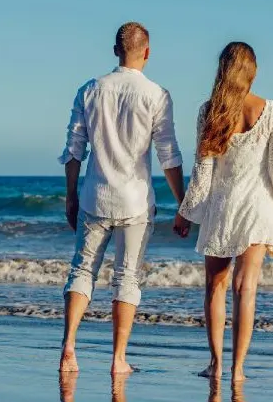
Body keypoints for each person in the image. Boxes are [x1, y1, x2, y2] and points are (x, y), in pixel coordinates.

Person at [58, 22, 185, 375]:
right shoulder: (157, 95)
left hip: (93, 196)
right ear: (147, 52)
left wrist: (70, 196)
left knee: (82, 270)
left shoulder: (90, 90)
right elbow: (168, 155)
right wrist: (183, 204)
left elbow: (73, 150)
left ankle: (69, 346)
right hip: (135, 201)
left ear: (116, 50)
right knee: (127, 278)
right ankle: (118, 360)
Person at [174, 41, 273, 384]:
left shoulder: (209, 111)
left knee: (215, 286)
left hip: (222, 209)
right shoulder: (271, 110)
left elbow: (202, 173)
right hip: (259, 209)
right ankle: (238, 369)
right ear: (252, 71)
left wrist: (186, 213)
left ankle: (215, 363)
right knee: (246, 290)